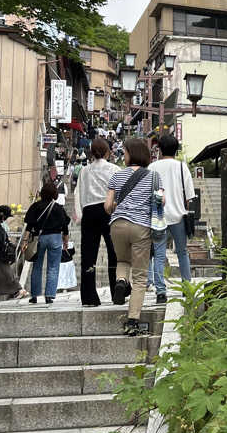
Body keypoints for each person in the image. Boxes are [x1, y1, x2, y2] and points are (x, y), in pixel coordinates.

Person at [104, 137, 164, 335]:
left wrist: (116, 207)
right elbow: (162, 201)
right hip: (141, 227)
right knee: (139, 277)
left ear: (130, 155)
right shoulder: (154, 177)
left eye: (125, 152)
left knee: (122, 260)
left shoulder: (117, 176)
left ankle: (121, 282)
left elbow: (107, 207)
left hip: (117, 225)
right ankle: (132, 321)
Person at [147, 132, 194, 305]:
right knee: (182, 253)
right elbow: (188, 196)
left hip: (158, 217)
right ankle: (187, 288)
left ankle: (161, 291)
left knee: (158, 256)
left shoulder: (152, 168)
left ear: (159, 149)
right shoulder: (182, 167)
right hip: (179, 216)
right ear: (176, 150)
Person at [74, 136, 117, 306]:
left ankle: (89, 296)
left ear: (91, 152)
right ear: (107, 151)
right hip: (108, 210)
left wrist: (83, 210)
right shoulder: (114, 169)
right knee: (114, 251)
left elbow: (81, 192)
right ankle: (116, 290)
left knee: (88, 254)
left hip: (90, 210)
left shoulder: (84, 170)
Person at [23, 180, 70, 303]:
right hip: (55, 237)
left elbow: (29, 225)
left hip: (39, 237)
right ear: (54, 194)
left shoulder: (35, 206)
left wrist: (25, 241)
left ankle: (34, 296)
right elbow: (65, 226)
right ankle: (49, 295)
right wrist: (65, 241)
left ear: (42, 193)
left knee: (37, 266)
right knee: (53, 267)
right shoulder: (58, 208)